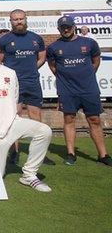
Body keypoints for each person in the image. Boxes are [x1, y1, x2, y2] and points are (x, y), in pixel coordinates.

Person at [0, 38, 52, 192]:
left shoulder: (10, 73)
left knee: (44, 131)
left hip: (12, 124)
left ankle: (29, 175)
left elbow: (14, 98)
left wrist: (12, 119)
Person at [47, 16, 112, 166]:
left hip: (88, 89)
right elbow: (53, 66)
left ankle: (103, 155)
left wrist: (86, 75)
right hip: (67, 90)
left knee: (94, 120)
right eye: (63, 27)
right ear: (58, 29)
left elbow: (96, 62)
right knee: (69, 119)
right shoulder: (53, 47)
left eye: (68, 26)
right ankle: (71, 154)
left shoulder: (89, 43)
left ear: (74, 26)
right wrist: (66, 78)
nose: (66, 29)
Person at [0, 9, 53, 165]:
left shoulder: (36, 38)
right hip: (13, 84)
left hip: (32, 82)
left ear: (26, 19)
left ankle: (40, 154)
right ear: (11, 21)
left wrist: (32, 69)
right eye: (15, 19)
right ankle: (13, 152)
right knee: (14, 117)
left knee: (36, 116)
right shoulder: (4, 40)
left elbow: (42, 57)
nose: (19, 22)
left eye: (21, 18)